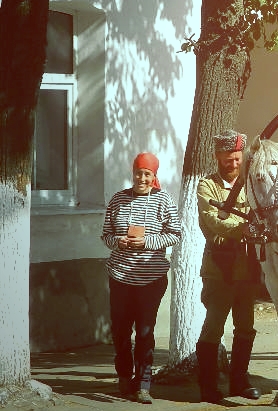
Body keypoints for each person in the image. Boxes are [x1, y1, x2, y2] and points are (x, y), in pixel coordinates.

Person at [101, 152, 181, 404]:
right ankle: (125, 376)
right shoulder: (118, 199)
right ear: (132, 173)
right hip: (121, 276)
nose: (142, 178)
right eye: (138, 173)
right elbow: (106, 235)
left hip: (151, 279)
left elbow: (175, 234)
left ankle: (144, 383)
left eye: (147, 174)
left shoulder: (163, 200)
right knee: (121, 331)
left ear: (154, 175)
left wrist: (147, 241)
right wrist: (119, 241)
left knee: (145, 332)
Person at [196, 130, 261, 402]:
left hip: (247, 269)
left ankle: (239, 382)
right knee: (214, 326)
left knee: (246, 327)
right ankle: (208, 386)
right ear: (217, 157)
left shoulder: (251, 185)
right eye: (227, 160)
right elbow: (212, 221)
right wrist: (245, 228)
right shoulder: (206, 186)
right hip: (219, 268)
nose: (233, 164)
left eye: (237, 159)